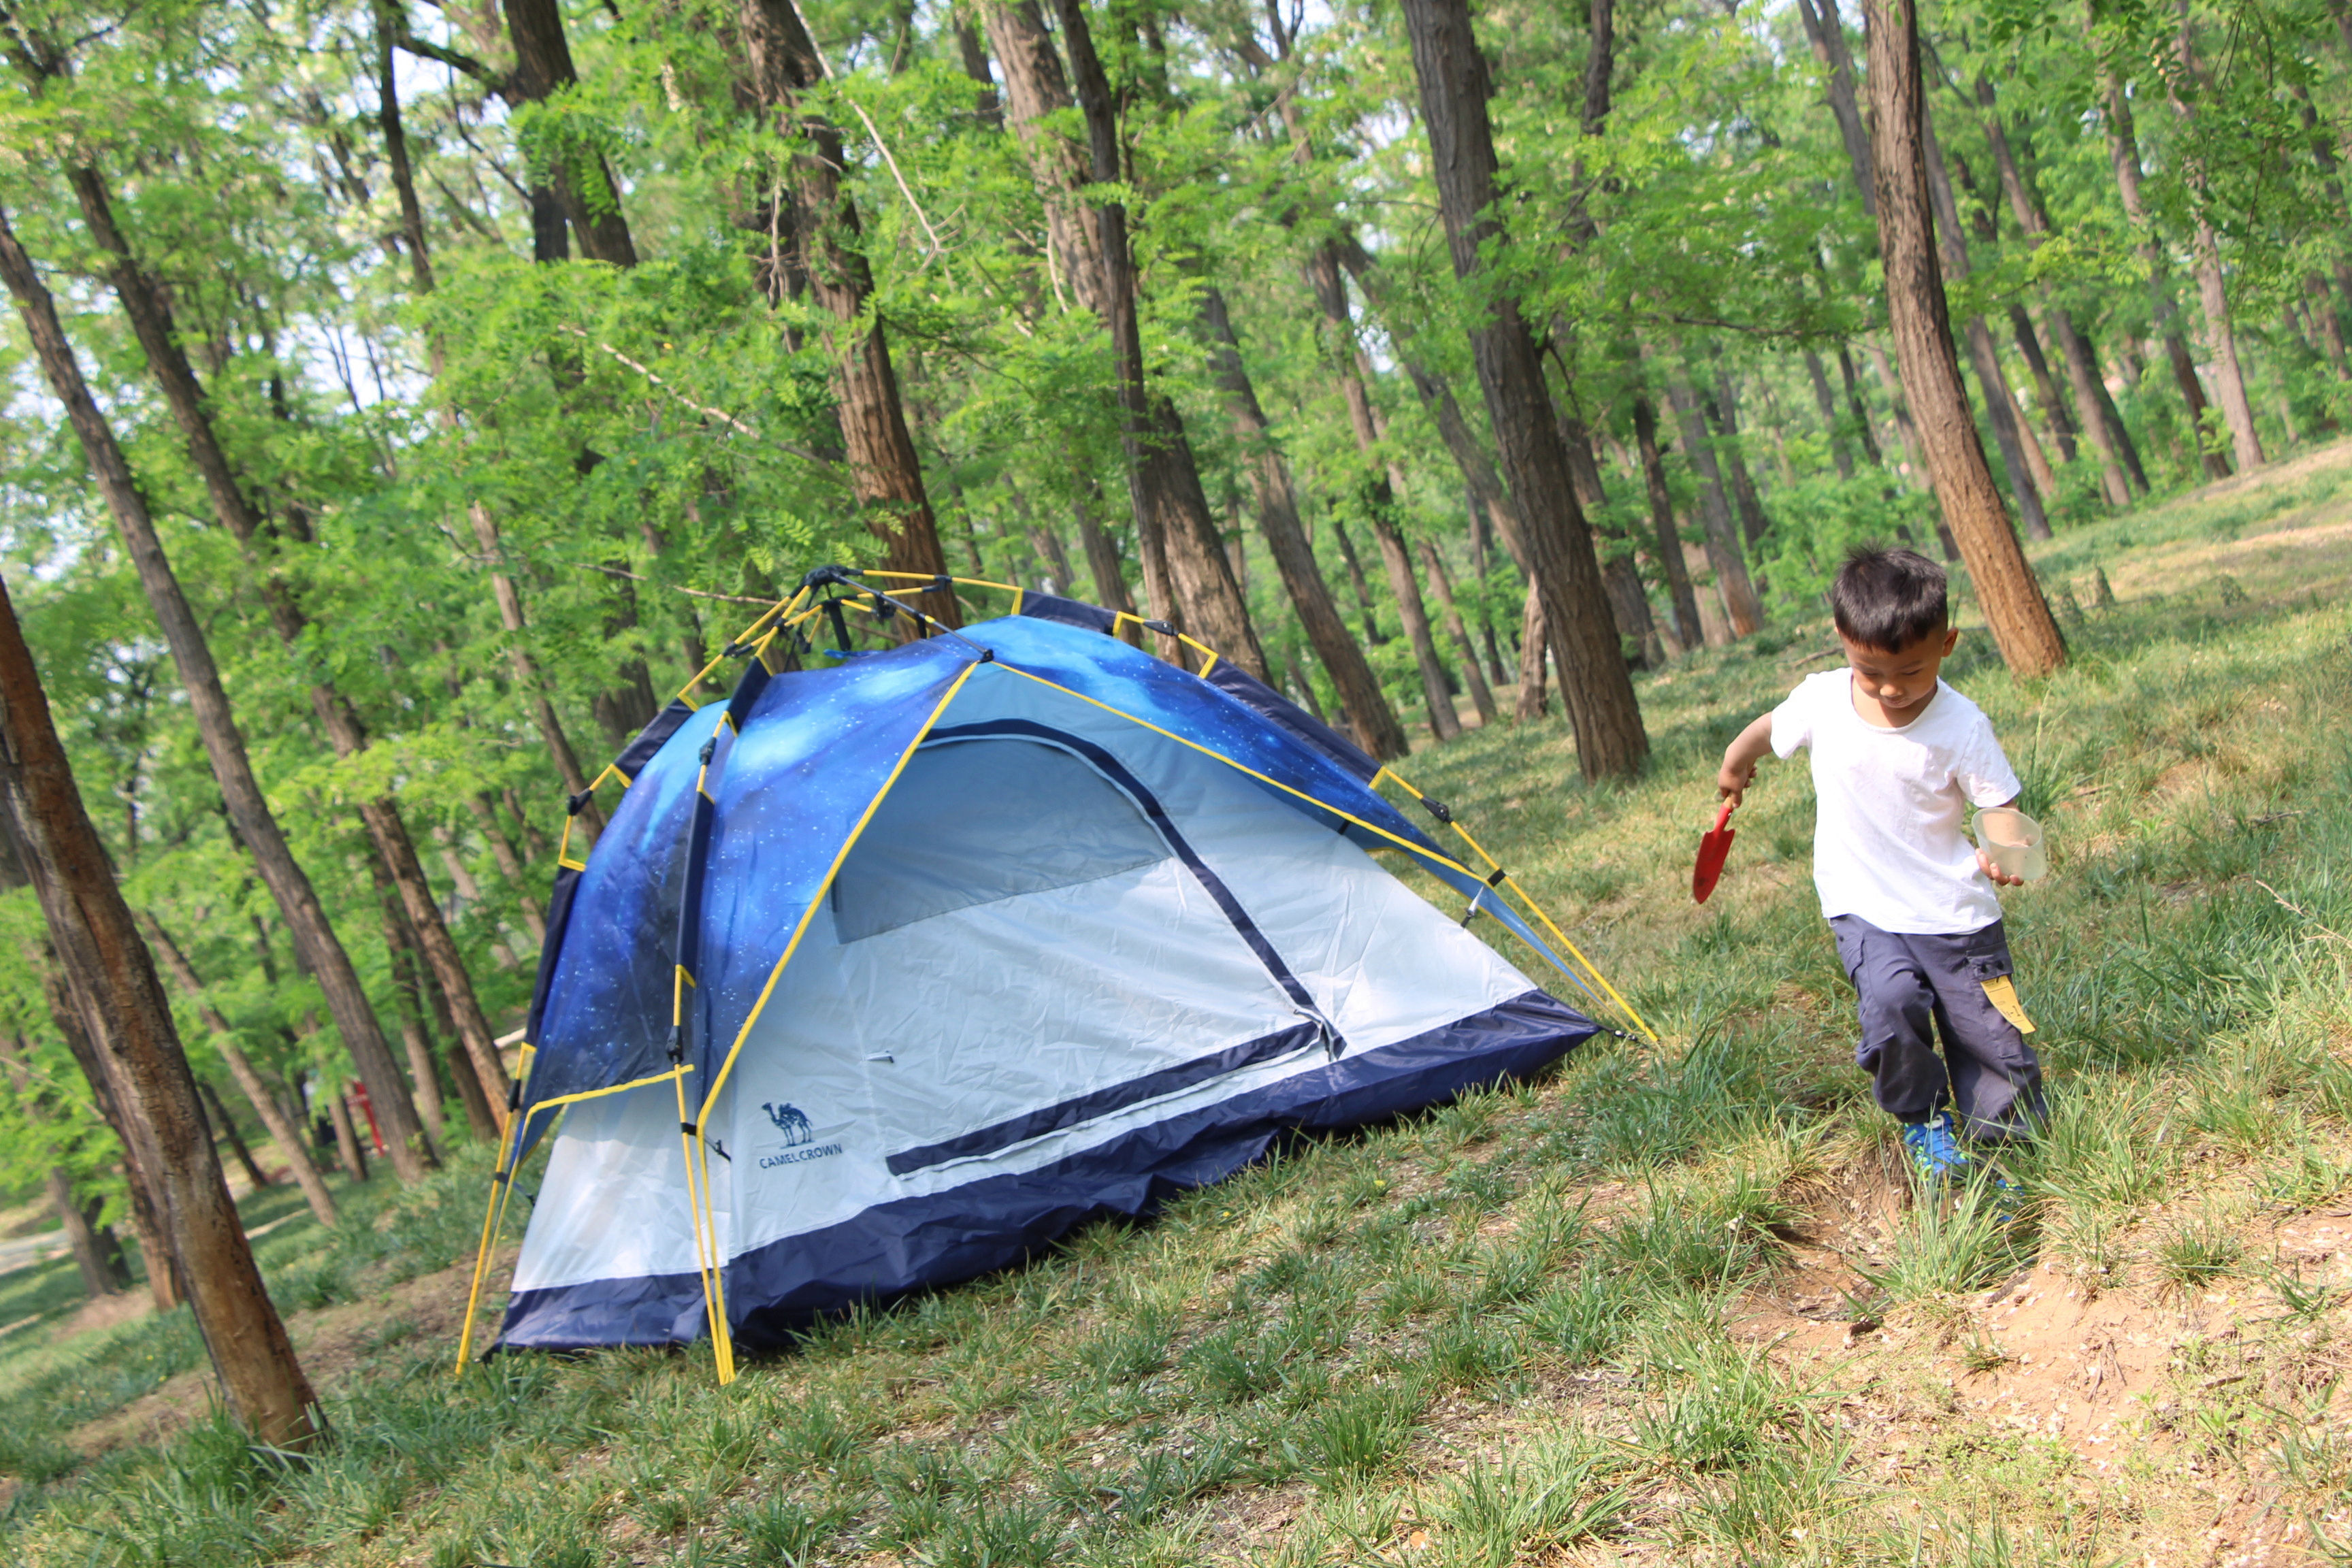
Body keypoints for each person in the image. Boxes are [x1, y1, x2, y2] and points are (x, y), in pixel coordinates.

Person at [1715, 546, 2044, 1181]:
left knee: (1989, 1035)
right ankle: (1925, 1122)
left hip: (1956, 914)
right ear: (1843, 641)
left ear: (1948, 644)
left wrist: (2007, 852)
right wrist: (1736, 763)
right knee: (1890, 1007)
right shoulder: (1821, 700)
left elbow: (2000, 805)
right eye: (1871, 673)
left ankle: (2011, 1155)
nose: (1891, 689)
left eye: (1911, 672)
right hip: (1863, 906)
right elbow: (1767, 729)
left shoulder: (1962, 725)